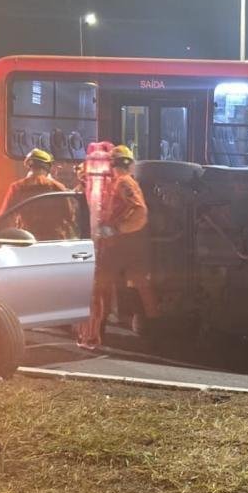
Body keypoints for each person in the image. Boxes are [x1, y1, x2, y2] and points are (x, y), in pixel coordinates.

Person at [79, 145, 160, 349]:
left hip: (120, 245)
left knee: (103, 286)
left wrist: (116, 230)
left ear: (112, 164)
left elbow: (140, 212)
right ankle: (152, 328)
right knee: (140, 285)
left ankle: (101, 331)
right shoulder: (121, 182)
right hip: (127, 245)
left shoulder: (123, 183)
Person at [0, 148, 76, 240]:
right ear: (48, 167)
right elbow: (69, 216)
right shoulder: (57, 187)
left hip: (27, 241)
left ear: (29, 166)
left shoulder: (17, 187)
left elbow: (4, 218)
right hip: (54, 241)